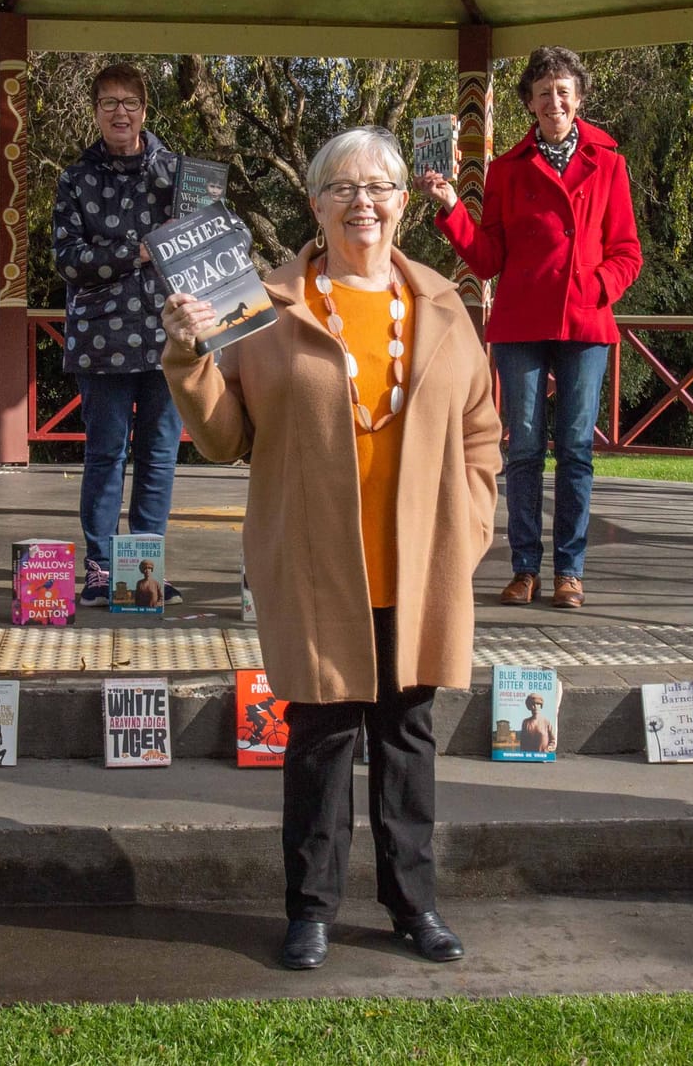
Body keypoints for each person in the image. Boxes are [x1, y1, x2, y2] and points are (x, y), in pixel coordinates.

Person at [163, 126, 500, 972]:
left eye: (381, 187)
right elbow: (223, 435)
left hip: (417, 564)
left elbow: (480, 431)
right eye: (344, 188)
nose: (365, 202)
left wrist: (469, 526)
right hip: (316, 565)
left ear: (402, 206)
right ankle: (310, 910)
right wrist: (186, 356)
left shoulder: (444, 307)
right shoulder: (265, 303)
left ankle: (414, 904)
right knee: (318, 739)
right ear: (313, 204)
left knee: (407, 738)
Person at [417, 46, 641, 611]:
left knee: (574, 450)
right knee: (521, 451)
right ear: (529, 105)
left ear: (579, 98)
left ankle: (570, 571)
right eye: (544, 93)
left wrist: (596, 287)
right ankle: (524, 569)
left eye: (564, 91)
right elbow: (488, 257)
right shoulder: (507, 169)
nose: (555, 101)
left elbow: (627, 250)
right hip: (521, 324)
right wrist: (449, 208)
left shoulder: (609, 161)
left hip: (585, 323)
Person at [53, 62, 186, 607]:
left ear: (145, 110)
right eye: (109, 103)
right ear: (95, 112)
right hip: (100, 337)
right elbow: (67, 259)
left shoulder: (179, 173)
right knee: (105, 455)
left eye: (129, 102)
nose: (120, 113)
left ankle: (144, 571)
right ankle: (100, 570)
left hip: (168, 333)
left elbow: (208, 238)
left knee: (158, 454)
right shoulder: (75, 178)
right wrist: (133, 253)